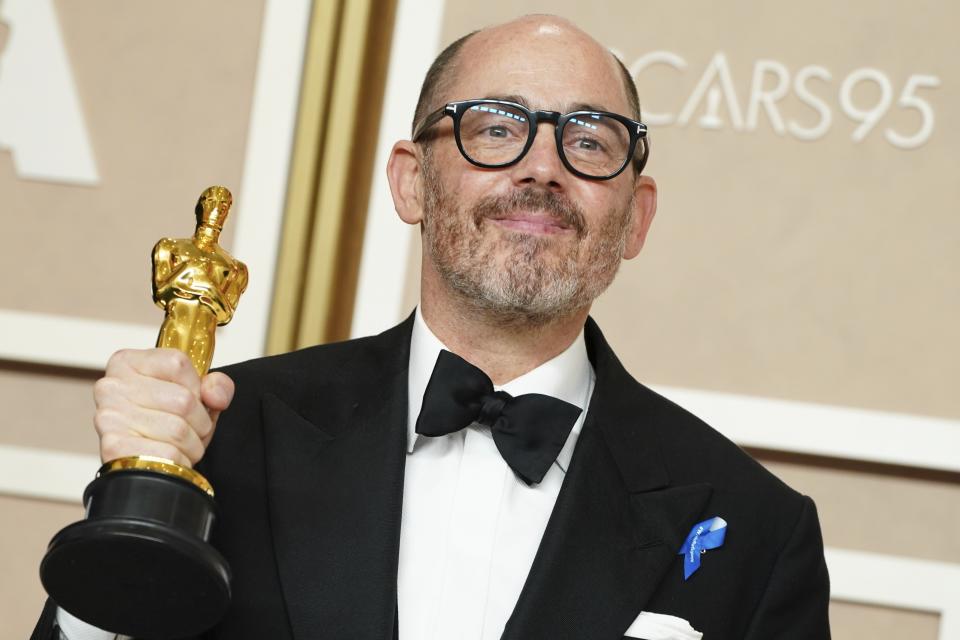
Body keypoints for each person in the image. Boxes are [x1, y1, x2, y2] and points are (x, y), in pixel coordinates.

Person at [34, 14, 830, 640]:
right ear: (411, 183)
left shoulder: (756, 530)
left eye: (588, 141)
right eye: (495, 127)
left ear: (635, 218)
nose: (543, 168)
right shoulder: (231, 433)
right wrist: (129, 508)